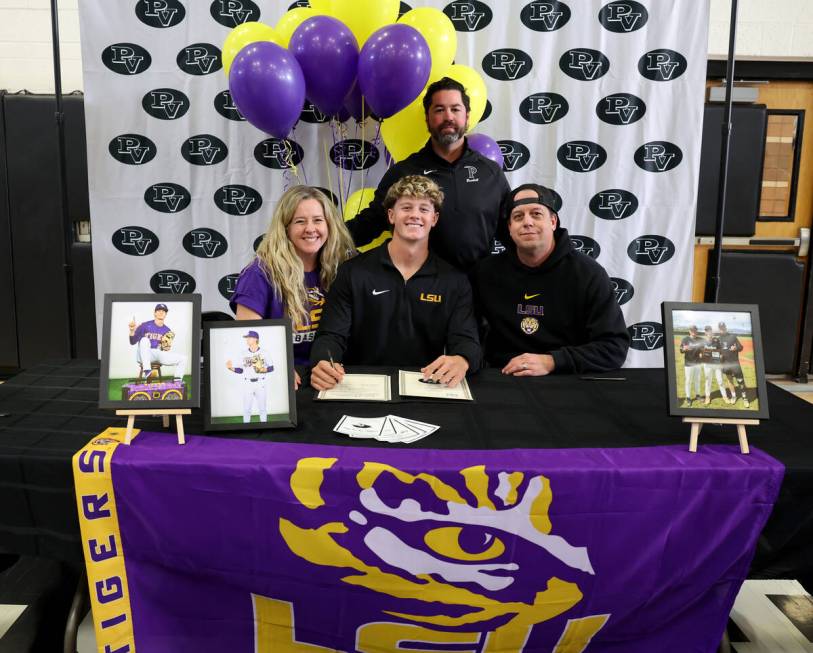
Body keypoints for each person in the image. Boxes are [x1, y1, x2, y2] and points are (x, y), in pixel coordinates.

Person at [310, 175, 481, 391]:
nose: (415, 215)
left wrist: (462, 359)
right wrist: (324, 362)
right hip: (360, 387)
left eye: (424, 209)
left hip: (424, 387)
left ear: (434, 219)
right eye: (406, 207)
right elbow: (330, 336)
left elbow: (467, 341)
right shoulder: (353, 272)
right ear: (391, 215)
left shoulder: (454, 281)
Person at [345, 77, 510, 271]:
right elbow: (371, 221)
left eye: (455, 109)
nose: (448, 117)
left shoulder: (490, 173)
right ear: (427, 118)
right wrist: (324, 237)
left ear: (467, 116)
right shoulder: (404, 172)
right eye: (439, 110)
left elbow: (511, 230)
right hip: (419, 289)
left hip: (479, 290)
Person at [473, 183, 629, 375]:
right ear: (510, 227)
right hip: (502, 375)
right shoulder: (486, 272)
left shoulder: (588, 274)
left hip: (565, 378)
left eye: (536, 214)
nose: (527, 222)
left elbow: (614, 347)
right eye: (518, 216)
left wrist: (553, 361)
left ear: (553, 222)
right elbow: (467, 331)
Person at [230, 186, 355, 388]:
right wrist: (275, 366)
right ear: (285, 227)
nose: (310, 229)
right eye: (300, 221)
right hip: (286, 377)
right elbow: (246, 335)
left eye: (318, 220)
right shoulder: (260, 273)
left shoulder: (342, 266)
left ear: (330, 225)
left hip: (330, 375)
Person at [128, 303, 187, 381]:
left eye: (164, 311)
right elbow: (132, 342)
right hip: (143, 354)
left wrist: (166, 346)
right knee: (144, 340)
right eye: (159, 310)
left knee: (183, 358)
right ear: (154, 313)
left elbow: (165, 348)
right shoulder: (145, 325)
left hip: (156, 354)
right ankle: (147, 371)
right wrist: (132, 331)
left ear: (166, 314)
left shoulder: (167, 330)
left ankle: (177, 382)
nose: (161, 312)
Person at [226, 330, 274, 423]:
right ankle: (245, 426)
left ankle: (264, 426)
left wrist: (263, 369)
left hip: (260, 382)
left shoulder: (264, 352)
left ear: (255, 339)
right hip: (247, 383)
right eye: (246, 338)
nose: (247, 339)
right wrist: (231, 368)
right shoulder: (243, 353)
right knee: (247, 409)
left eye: (249, 337)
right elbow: (241, 370)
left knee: (262, 408)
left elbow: (271, 368)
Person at [717, 321, 750, 407]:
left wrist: (736, 348)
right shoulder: (718, 339)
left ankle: (745, 398)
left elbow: (741, 347)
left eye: (723, 328)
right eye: (720, 328)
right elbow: (717, 351)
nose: (722, 330)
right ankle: (734, 396)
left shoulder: (732, 337)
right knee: (730, 380)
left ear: (725, 327)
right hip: (725, 364)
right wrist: (719, 356)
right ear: (719, 329)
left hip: (735, 363)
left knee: (740, 381)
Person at [700, 325, 732, 405]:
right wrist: (701, 355)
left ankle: (724, 396)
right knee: (708, 381)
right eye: (707, 331)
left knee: (720, 381)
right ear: (705, 332)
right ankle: (707, 397)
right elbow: (700, 352)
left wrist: (721, 356)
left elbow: (720, 351)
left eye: (710, 330)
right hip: (707, 364)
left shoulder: (716, 341)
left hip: (717, 363)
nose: (709, 332)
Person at [679, 325, 704, 406]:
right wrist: (684, 349)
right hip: (689, 363)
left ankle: (698, 395)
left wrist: (702, 353)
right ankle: (688, 397)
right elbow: (681, 350)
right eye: (692, 330)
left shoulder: (700, 339)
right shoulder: (685, 339)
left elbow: (703, 349)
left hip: (698, 363)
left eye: (695, 330)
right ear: (689, 331)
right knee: (688, 381)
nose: (694, 332)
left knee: (697, 380)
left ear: (696, 331)